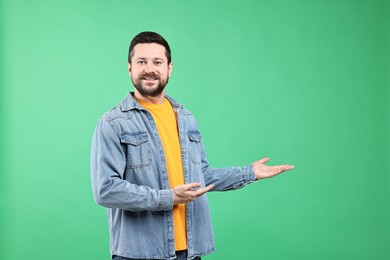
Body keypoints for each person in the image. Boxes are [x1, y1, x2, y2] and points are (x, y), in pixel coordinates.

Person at [91, 31, 294, 260]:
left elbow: (201, 176)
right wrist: (168, 198)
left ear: (169, 68)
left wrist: (249, 173)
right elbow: (106, 190)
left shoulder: (185, 118)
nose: (150, 68)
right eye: (141, 62)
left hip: (189, 251)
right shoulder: (112, 123)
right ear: (130, 68)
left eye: (157, 62)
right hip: (140, 253)